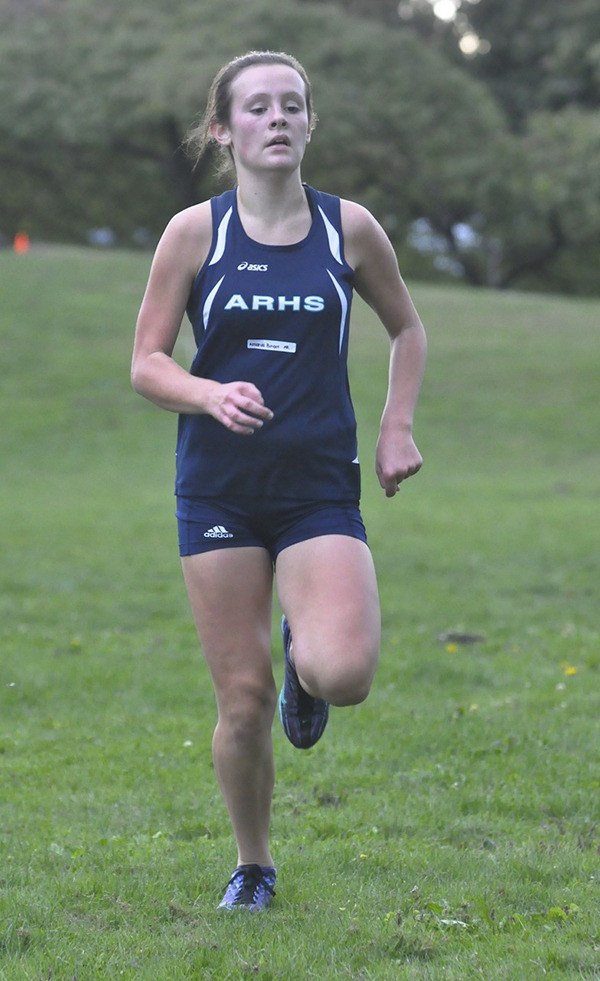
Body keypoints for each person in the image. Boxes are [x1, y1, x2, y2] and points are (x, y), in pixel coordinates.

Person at [131, 50, 427, 912]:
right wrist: (206, 391)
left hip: (317, 486)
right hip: (218, 488)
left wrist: (395, 425)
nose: (277, 119)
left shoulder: (349, 227)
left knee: (345, 672)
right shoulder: (195, 232)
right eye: (257, 107)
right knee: (244, 699)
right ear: (224, 128)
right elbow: (146, 363)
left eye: (291, 106)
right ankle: (254, 865)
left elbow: (407, 328)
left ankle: (307, 656)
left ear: (309, 124)